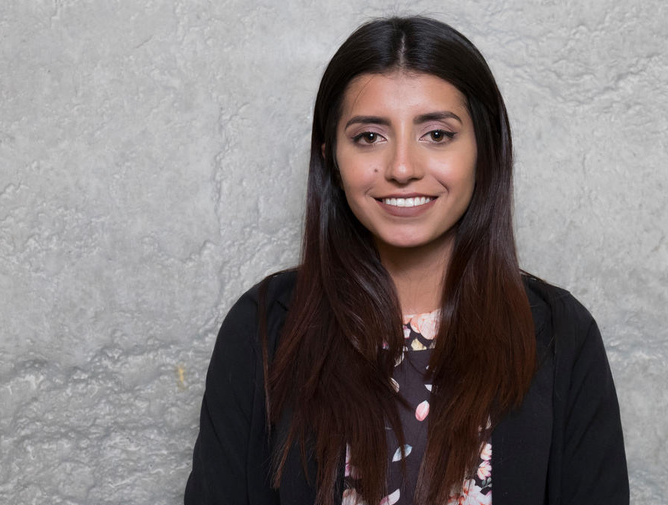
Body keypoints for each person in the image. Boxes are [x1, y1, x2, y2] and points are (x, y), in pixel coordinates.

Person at [184, 16, 628, 505]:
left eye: (437, 134)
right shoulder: (264, 330)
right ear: (330, 156)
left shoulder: (561, 335)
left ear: (485, 149)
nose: (401, 168)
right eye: (369, 137)